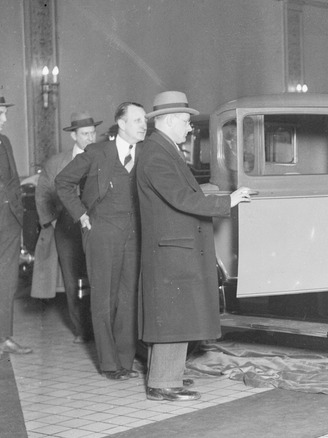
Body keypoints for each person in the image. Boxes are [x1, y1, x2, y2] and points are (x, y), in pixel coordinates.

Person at [136, 91, 251, 401]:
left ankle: (168, 377)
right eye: (186, 122)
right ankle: (162, 384)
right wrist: (228, 199)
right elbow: (180, 197)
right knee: (172, 318)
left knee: (178, 316)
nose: (189, 128)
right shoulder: (155, 152)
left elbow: (180, 192)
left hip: (176, 246)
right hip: (172, 249)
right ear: (170, 120)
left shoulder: (162, 149)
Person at [56, 102, 147, 380]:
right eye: (137, 120)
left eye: (145, 120)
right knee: (104, 299)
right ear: (121, 123)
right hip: (102, 233)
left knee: (129, 299)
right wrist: (81, 214)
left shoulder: (146, 153)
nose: (144, 125)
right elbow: (62, 182)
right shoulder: (97, 152)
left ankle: (125, 361)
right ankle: (109, 364)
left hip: (133, 235)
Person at [35, 112, 101, 343]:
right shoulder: (56, 163)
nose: (90, 138)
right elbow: (42, 192)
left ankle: (100, 327)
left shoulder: (103, 157)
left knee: (98, 276)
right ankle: (82, 330)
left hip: (97, 226)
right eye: (84, 134)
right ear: (74, 135)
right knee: (74, 280)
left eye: (93, 133)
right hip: (68, 228)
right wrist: (53, 221)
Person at [0, 96, 32, 355]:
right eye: (0, 112)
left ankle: (4, 337)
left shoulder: (5, 141)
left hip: (9, 221)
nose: (4, 118)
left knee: (7, 280)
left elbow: (11, 181)